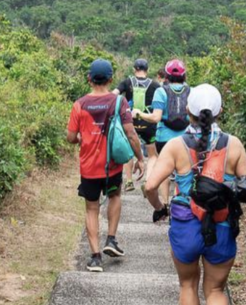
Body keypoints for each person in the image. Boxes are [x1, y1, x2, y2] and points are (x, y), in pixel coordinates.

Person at [144, 84, 246, 305]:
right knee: (216, 288)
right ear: (220, 112)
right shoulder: (235, 145)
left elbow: (150, 185)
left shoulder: (176, 146)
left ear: (188, 111)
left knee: (188, 284)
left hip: (185, 226)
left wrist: (160, 207)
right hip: (221, 226)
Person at [67, 59, 145, 272]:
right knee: (115, 196)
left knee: (92, 208)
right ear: (111, 79)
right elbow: (130, 133)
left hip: (89, 168)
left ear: (89, 79)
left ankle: (94, 257)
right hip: (112, 167)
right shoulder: (119, 102)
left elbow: (70, 136)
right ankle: (111, 239)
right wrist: (140, 158)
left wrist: (81, 139)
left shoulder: (79, 104)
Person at [135, 59, 189, 222]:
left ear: (166, 75)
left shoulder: (161, 91)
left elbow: (156, 117)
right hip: (185, 139)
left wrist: (138, 113)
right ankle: (180, 204)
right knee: (183, 171)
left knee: (165, 172)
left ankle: (164, 205)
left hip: (163, 138)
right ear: (184, 76)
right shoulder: (190, 91)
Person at [114, 58, 160, 192]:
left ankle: (129, 181)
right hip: (148, 123)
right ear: (147, 70)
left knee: (129, 153)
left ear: (134, 69)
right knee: (152, 155)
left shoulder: (127, 82)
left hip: (130, 123)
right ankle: (148, 181)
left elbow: (114, 94)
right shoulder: (155, 85)